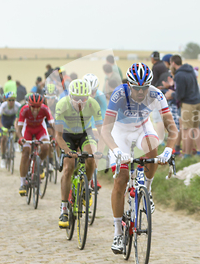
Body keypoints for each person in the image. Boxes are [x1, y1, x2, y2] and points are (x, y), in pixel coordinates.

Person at [101, 63, 178, 254]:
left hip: (142, 128)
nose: (141, 92)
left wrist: (168, 151)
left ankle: (147, 190)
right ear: (129, 85)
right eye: (136, 88)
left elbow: (173, 130)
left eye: (145, 87)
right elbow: (105, 130)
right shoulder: (119, 94)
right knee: (121, 180)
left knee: (153, 145)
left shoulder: (156, 94)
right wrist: (116, 150)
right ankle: (118, 232)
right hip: (120, 133)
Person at [54, 79, 103, 228]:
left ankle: (86, 187)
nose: (80, 102)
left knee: (91, 158)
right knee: (68, 167)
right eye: (76, 99)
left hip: (85, 134)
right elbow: (58, 136)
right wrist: (68, 151)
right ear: (70, 97)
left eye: (84, 99)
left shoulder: (93, 104)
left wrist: (99, 150)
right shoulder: (62, 105)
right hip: (67, 135)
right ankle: (64, 209)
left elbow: (101, 132)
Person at [16, 93, 54, 196]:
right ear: (28, 104)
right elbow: (19, 128)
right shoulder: (24, 110)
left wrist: (54, 137)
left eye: (38, 107)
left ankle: (39, 163)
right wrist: (21, 138)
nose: (36, 110)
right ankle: (23, 183)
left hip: (40, 129)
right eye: (33, 107)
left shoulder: (45, 109)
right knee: (25, 153)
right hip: (27, 129)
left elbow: (53, 125)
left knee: (46, 146)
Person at [169, 54, 200, 157]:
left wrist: (171, 94)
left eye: (171, 63)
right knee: (196, 127)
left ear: (173, 63)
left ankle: (187, 154)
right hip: (197, 101)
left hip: (188, 104)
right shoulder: (190, 70)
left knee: (187, 129)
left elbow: (180, 95)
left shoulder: (179, 75)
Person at [0, 92, 21, 168]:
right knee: (3, 138)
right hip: (5, 119)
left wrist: (18, 127)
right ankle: (3, 158)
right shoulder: (3, 105)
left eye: (13, 100)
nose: (11, 102)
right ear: (6, 100)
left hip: (13, 118)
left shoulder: (18, 105)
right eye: (9, 100)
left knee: (16, 130)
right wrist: (2, 127)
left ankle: (15, 142)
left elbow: (21, 118)